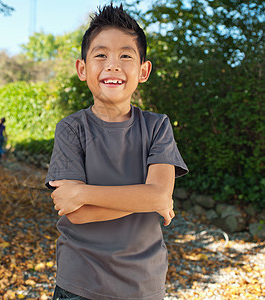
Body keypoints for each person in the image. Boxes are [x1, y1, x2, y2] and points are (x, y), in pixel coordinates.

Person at [45, 4, 188, 300]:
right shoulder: (71, 129)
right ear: (82, 69)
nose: (113, 65)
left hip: (144, 284)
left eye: (126, 55)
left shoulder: (157, 127)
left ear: (143, 70)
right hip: (80, 282)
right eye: (100, 55)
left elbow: (159, 196)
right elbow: (78, 215)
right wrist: (147, 198)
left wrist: (83, 192)